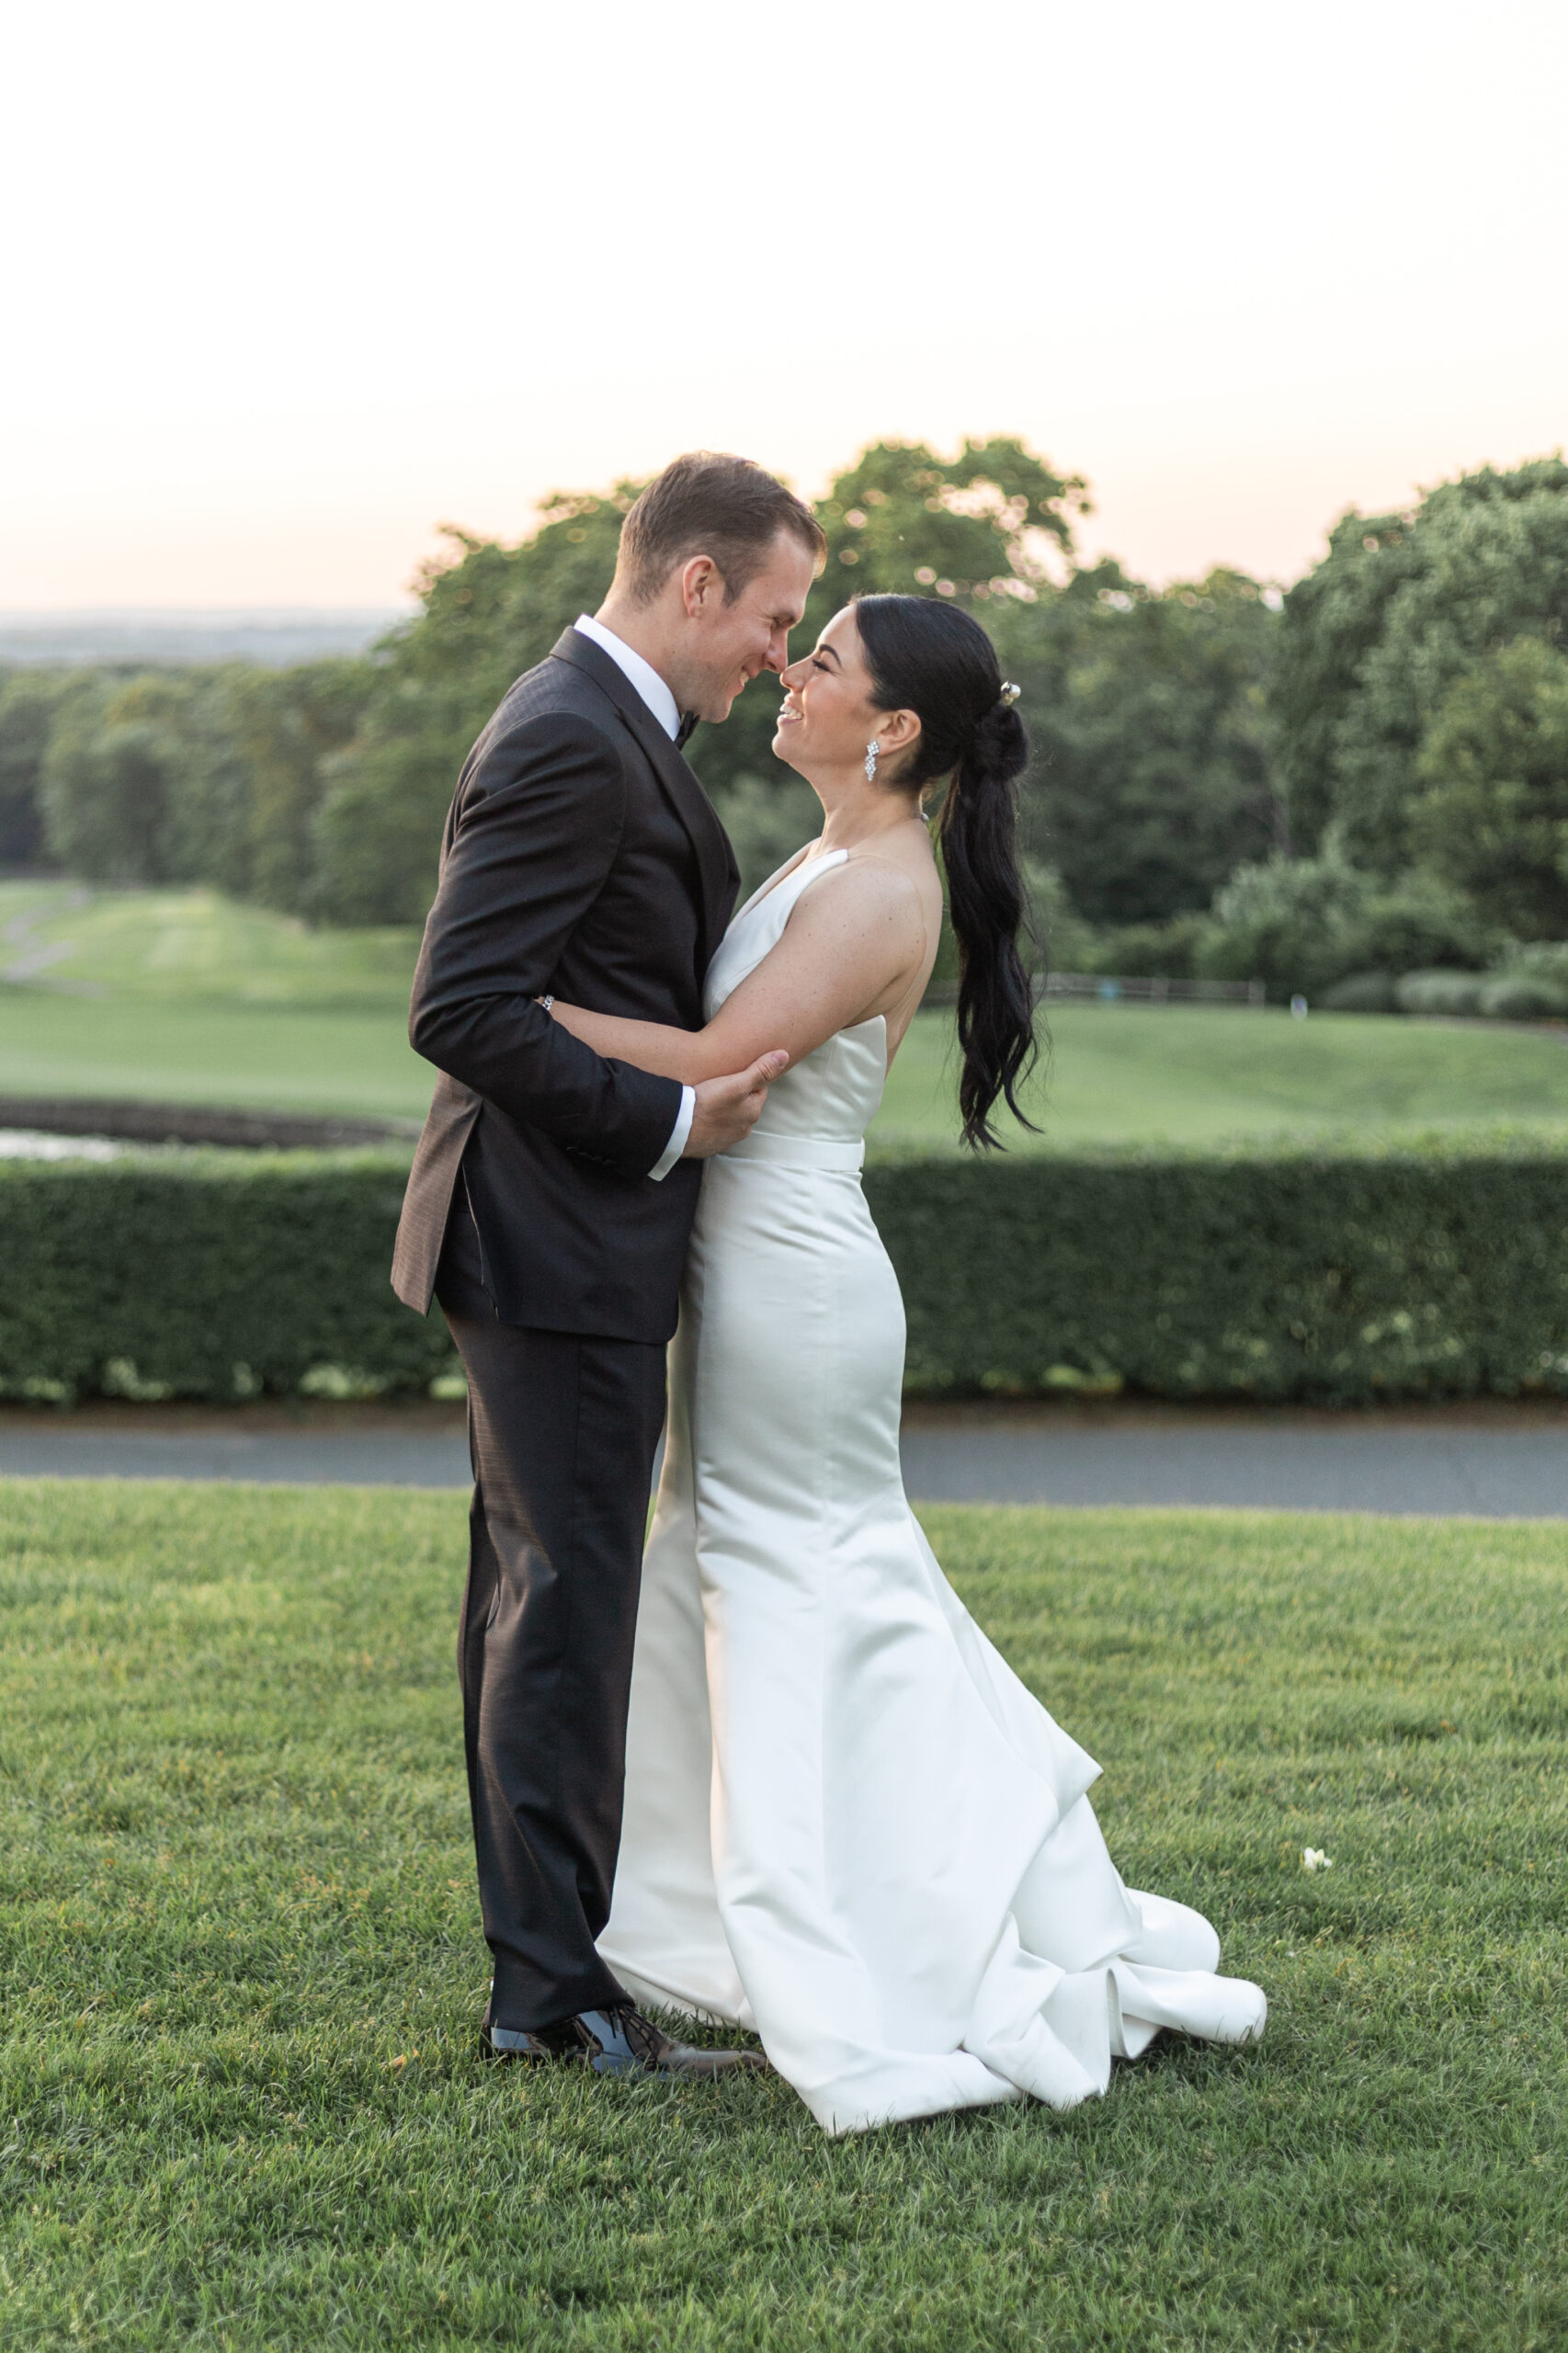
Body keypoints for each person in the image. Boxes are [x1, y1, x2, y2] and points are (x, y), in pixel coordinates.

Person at [543, 591, 1267, 2132]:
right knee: (774, 1577)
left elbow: (717, 1066)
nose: (787, 679)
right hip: (748, 1271)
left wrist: (512, 1008)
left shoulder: (877, 887)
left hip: (793, 1291)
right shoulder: (828, 856)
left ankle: (883, 1934)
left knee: (807, 1587)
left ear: (891, 730)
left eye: (820, 664)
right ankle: (764, 1906)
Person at [392, 453, 824, 2076]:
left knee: (537, 1597)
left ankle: (547, 1976)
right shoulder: (575, 732)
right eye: (773, 618)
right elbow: (461, 1005)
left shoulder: (605, 719)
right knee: (558, 1605)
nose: (775, 656)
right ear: (696, 582)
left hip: (553, 1238)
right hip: (552, 1234)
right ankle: (552, 2001)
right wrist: (670, 1119)